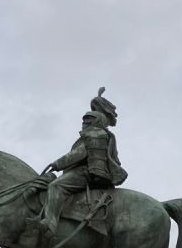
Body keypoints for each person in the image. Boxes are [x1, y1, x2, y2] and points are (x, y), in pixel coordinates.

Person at [39, 90, 127, 234]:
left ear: (96, 121)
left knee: (56, 186)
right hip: (93, 173)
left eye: (88, 120)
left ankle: (50, 222)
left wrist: (56, 164)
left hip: (87, 173)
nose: (84, 123)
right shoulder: (105, 135)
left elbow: (78, 154)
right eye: (84, 120)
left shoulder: (94, 134)